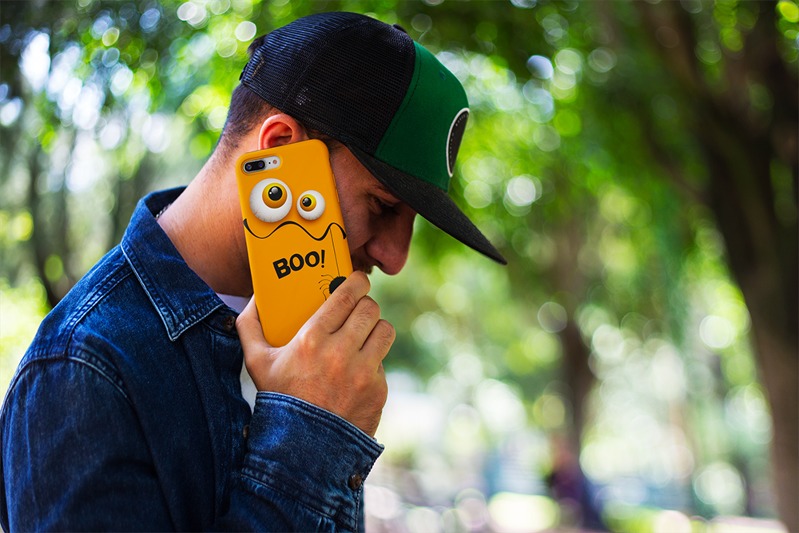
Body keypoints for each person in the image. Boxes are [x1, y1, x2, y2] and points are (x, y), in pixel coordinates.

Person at [0, 11, 506, 531]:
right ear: (281, 147)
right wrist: (310, 432)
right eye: (382, 205)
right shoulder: (82, 369)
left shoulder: (311, 346)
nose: (395, 258)